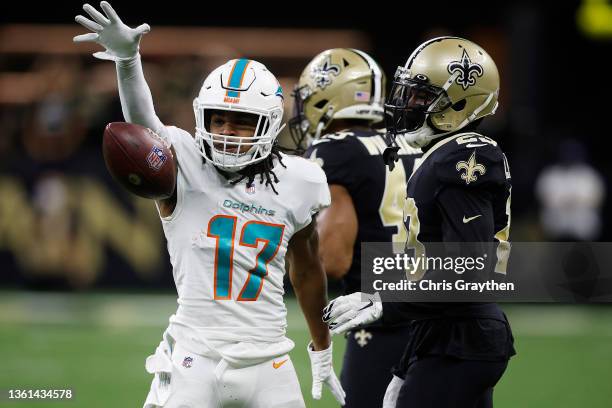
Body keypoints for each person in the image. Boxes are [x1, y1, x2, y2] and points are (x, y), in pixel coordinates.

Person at [73, 2, 345, 407]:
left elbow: (307, 270)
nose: (226, 132)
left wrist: (321, 347)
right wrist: (128, 60)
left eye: (241, 122)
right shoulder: (184, 162)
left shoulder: (300, 180)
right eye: (218, 120)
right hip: (192, 358)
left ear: (269, 124)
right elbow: (142, 121)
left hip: (269, 361)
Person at [323, 37, 515, 408]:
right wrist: (405, 363)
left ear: (461, 101)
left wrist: (383, 302)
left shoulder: (464, 156)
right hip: (449, 335)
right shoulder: (441, 155)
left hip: (463, 340)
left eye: (421, 96)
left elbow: (467, 271)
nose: (408, 104)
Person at [290, 48, 421, 408]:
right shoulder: (415, 143)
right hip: (438, 314)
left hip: (380, 323)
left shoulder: (336, 151)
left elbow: (332, 260)